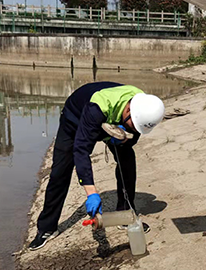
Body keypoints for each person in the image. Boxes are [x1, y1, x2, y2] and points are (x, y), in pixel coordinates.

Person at [28, 82, 165, 251]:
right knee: (60, 171)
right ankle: (47, 228)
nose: (135, 129)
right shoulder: (98, 107)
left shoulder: (143, 107)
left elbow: (135, 134)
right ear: (129, 111)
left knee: (127, 161)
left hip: (113, 121)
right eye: (132, 126)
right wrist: (91, 193)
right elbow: (81, 150)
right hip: (76, 118)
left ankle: (125, 213)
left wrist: (124, 137)